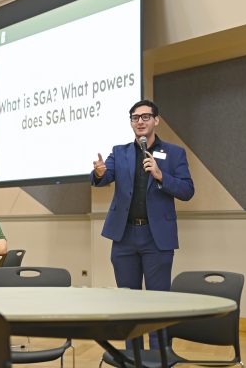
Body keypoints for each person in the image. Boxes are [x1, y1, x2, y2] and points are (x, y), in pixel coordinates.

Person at [91, 99, 194, 349]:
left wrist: (161, 175)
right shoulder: (120, 151)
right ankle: (133, 358)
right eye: (135, 118)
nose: (140, 121)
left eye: (145, 117)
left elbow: (187, 190)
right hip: (124, 236)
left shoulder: (174, 153)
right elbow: (103, 178)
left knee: (158, 303)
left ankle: (160, 357)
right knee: (129, 304)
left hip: (155, 237)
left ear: (156, 120)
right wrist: (100, 173)